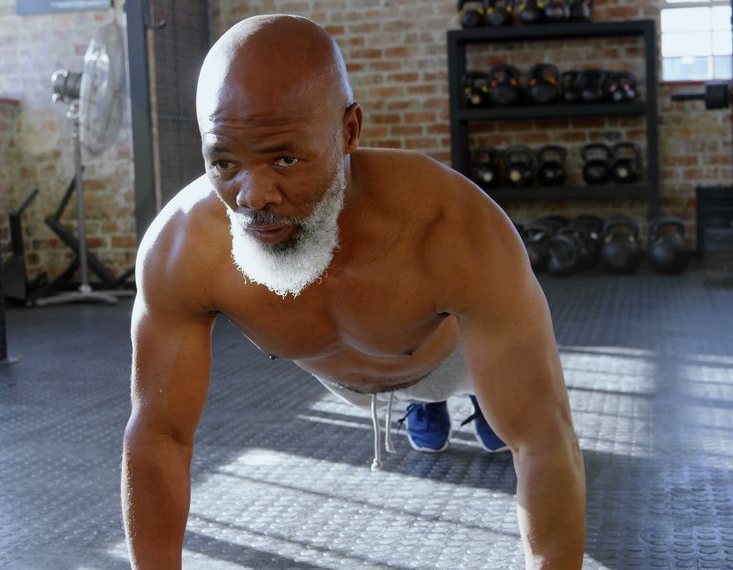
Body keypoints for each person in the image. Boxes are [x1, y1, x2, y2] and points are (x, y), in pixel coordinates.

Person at [122, 14, 585, 569]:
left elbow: (543, 439)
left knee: (513, 412)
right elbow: (160, 437)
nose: (253, 196)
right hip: (342, 370)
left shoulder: (451, 226)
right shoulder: (182, 249)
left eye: (285, 159)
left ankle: (481, 399)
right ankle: (435, 407)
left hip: (446, 353)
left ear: (348, 132)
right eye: (224, 162)